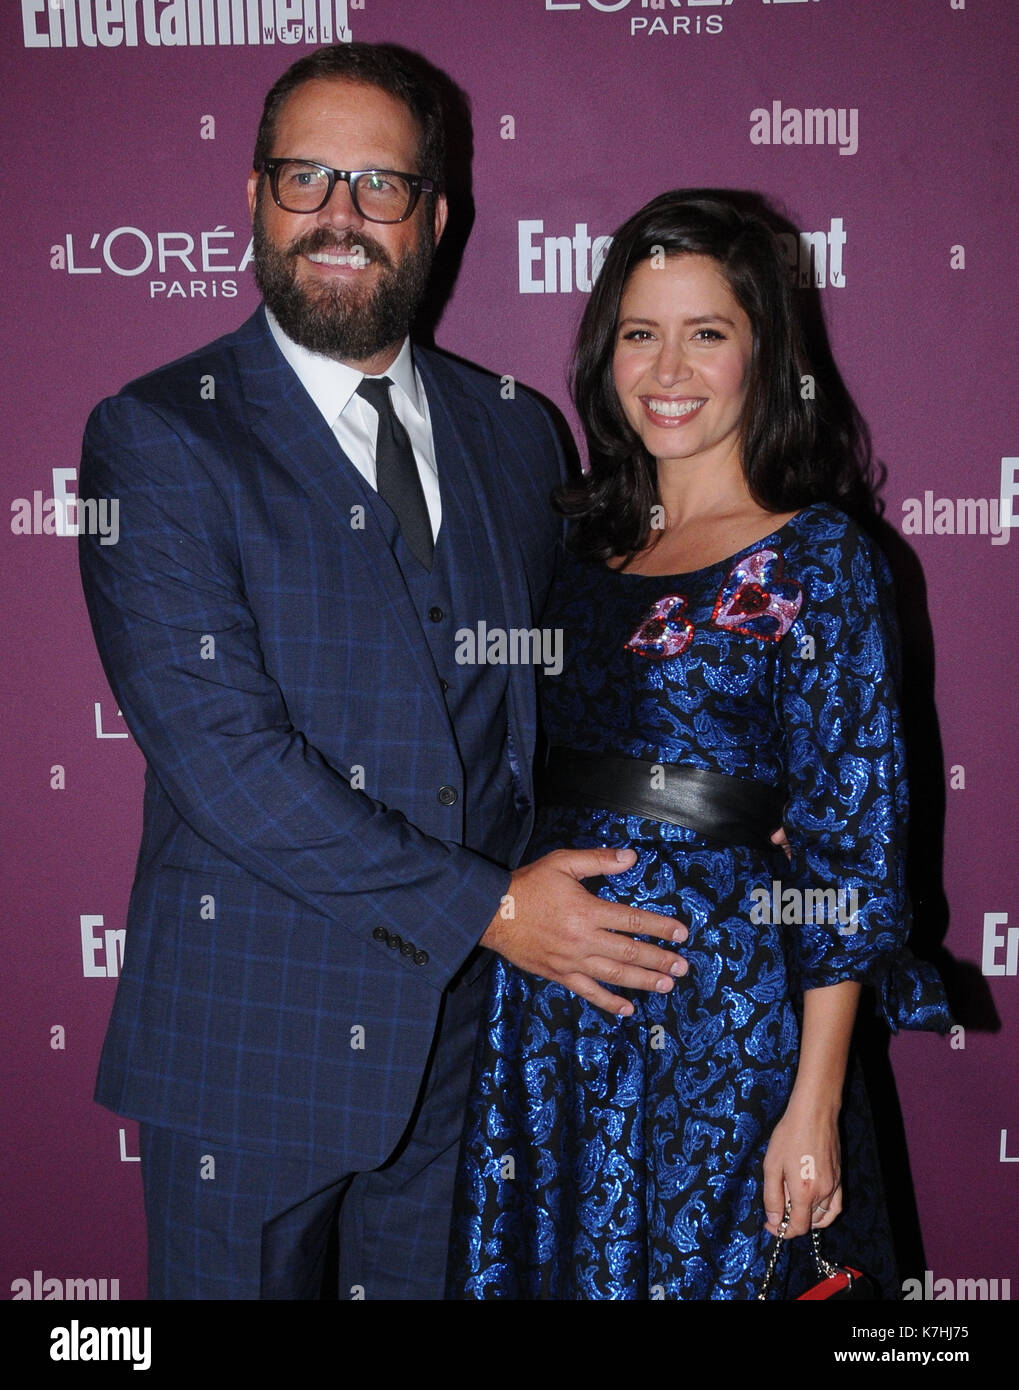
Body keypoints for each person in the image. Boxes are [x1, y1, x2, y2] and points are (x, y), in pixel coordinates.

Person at [77, 44, 689, 1301]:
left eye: (379, 184)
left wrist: (727, 798)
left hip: (464, 1050)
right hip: (247, 1050)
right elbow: (225, 762)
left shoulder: (516, 433)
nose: (339, 216)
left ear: (435, 218)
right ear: (253, 197)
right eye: (305, 178)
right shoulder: (158, 435)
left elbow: (559, 692)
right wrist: (496, 910)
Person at [448, 190, 950, 1300]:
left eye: (705, 333)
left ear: (763, 355)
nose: (666, 369)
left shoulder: (820, 560)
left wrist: (812, 1102)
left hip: (725, 1019)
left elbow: (850, 860)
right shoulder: (576, 550)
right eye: (639, 333)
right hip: (554, 1014)